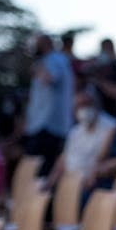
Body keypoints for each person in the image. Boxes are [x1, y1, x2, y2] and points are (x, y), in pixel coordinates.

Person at [45, 90, 116, 192]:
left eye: (86, 104)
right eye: (79, 106)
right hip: (67, 181)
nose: (83, 109)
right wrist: (50, 181)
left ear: (96, 105)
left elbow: (101, 158)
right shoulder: (75, 131)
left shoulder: (111, 126)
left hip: (90, 184)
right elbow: (63, 159)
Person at [23, 33, 74, 176]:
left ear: (45, 44)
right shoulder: (47, 60)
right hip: (41, 124)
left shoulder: (54, 59)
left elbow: (49, 78)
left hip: (48, 125)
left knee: (40, 173)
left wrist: (37, 66)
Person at [88, 38, 116, 118]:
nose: (106, 52)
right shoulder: (96, 68)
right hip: (99, 116)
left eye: (108, 48)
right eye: (104, 49)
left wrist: (101, 83)